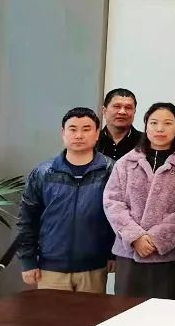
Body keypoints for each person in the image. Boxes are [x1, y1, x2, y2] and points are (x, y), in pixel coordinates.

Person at [16, 107, 116, 293]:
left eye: (86, 129)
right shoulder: (44, 173)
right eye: (73, 129)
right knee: (51, 313)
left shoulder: (110, 170)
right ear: (63, 133)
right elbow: (27, 219)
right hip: (51, 267)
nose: (79, 135)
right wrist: (28, 261)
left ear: (97, 134)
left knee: (92, 312)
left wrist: (113, 254)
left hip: (94, 267)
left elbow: (117, 217)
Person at [103, 102, 175, 299]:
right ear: (146, 126)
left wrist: (156, 239)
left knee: (166, 312)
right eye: (153, 123)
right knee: (126, 309)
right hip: (129, 254)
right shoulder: (125, 163)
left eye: (167, 123)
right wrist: (135, 237)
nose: (160, 128)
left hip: (170, 257)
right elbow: (112, 202)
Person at [96, 88, 141, 160]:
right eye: (117, 106)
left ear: (134, 112)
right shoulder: (92, 141)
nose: (122, 112)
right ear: (104, 111)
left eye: (128, 107)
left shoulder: (146, 142)